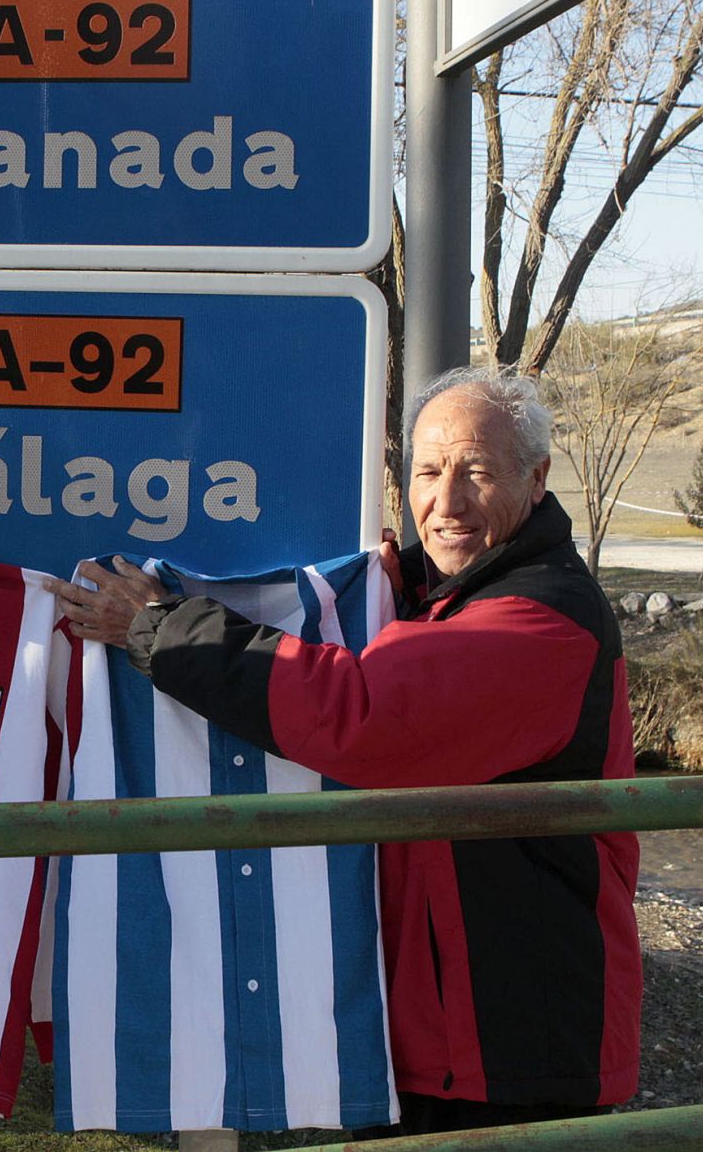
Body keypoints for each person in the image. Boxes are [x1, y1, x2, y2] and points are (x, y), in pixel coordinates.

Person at [51, 367, 640, 1136]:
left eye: (478, 472)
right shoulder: (446, 593)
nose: (447, 501)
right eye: (428, 472)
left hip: (514, 1042)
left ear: (536, 480)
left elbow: (360, 715)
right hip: (448, 1035)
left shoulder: (541, 618)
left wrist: (162, 630)